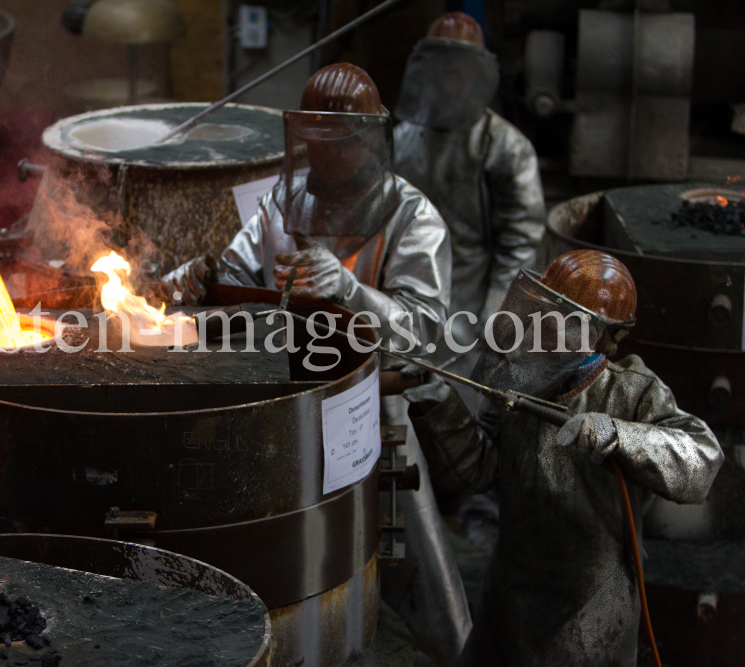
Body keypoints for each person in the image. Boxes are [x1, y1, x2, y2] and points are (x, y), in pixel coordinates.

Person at [163, 63, 473, 667]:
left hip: (376, 402)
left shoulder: (413, 217)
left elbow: (427, 334)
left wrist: (348, 291)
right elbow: (236, 276)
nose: (323, 159)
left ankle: (448, 650)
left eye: (338, 144)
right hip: (290, 398)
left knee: (412, 561)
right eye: (314, 143)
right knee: (292, 555)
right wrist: (199, 281)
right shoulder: (284, 198)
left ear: (368, 140)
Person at [404, 250, 724, 666]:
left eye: (571, 321)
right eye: (549, 310)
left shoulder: (631, 392)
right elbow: (478, 471)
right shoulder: (519, 375)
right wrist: (438, 404)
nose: (550, 327)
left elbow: (702, 457)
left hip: (589, 611)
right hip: (510, 601)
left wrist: (617, 434)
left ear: (612, 336)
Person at [392, 11, 545, 345]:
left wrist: (497, 320)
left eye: (457, 68)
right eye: (440, 66)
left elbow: (520, 244)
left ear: (476, 74)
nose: (447, 79)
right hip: (407, 302)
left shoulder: (506, 147)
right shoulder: (402, 141)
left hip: (472, 309)